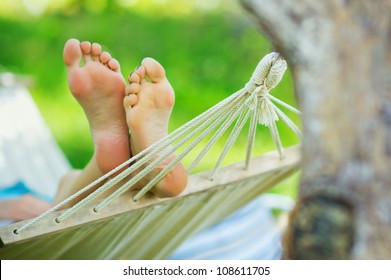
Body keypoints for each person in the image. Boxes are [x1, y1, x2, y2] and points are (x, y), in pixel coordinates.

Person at [0, 38, 188, 220]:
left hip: (31, 211)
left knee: (62, 196)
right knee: (58, 204)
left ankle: (116, 168)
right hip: (20, 217)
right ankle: (136, 175)